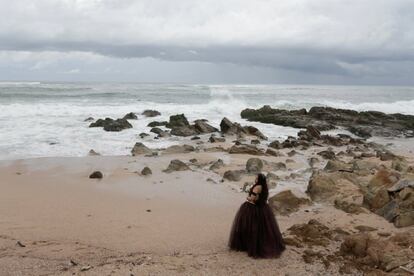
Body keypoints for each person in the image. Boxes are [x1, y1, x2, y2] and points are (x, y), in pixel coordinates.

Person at [228, 173, 285, 258]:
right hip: (263, 208)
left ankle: (249, 245)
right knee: (263, 228)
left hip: (253, 208)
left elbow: (252, 198)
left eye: (256, 178)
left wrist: (248, 197)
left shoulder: (257, 187)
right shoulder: (264, 187)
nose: (255, 179)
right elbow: (262, 198)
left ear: (259, 180)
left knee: (250, 227)